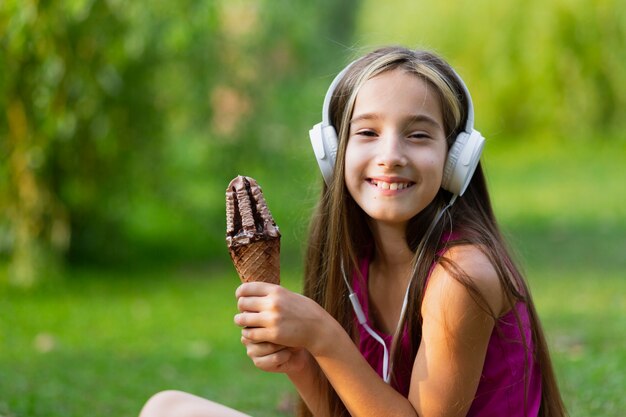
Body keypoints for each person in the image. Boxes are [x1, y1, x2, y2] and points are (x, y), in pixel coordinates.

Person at [139, 46, 567, 417]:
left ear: (457, 158)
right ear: (333, 152)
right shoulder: (354, 260)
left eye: (418, 135)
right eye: (367, 132)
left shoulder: (462, 276)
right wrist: (302, 364)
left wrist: (326, 338)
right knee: (166, 408)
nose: (391, 155)